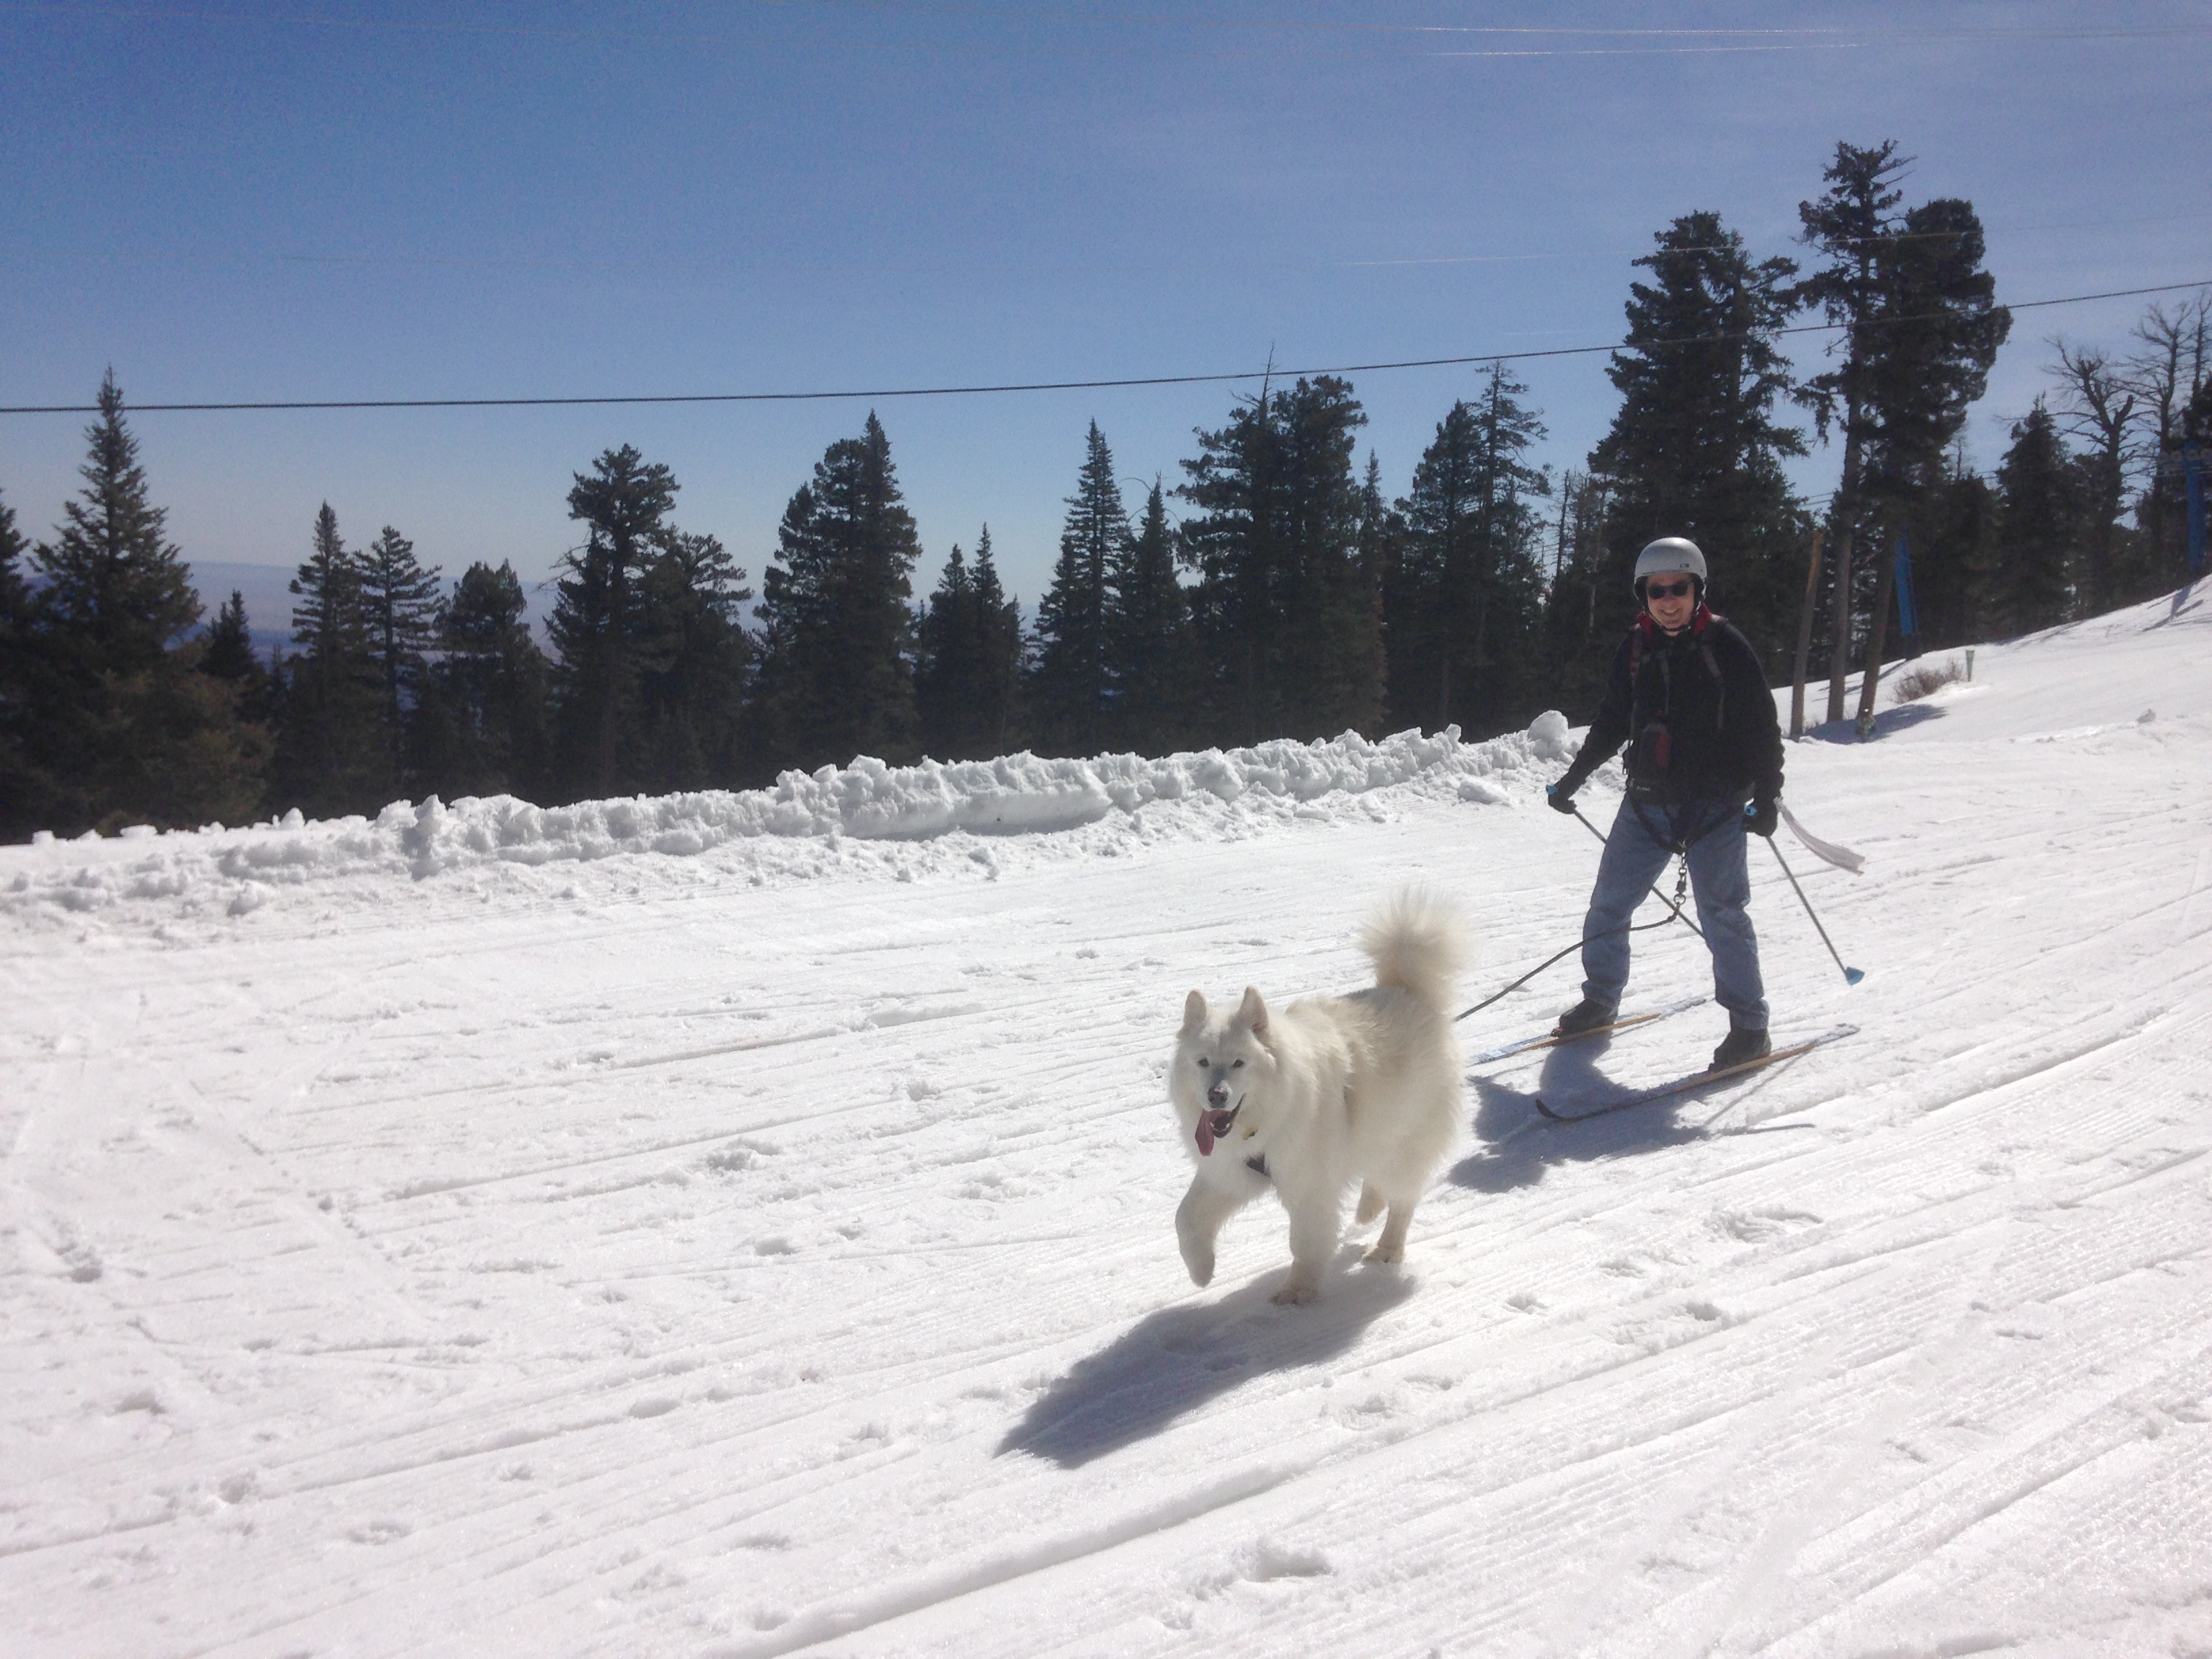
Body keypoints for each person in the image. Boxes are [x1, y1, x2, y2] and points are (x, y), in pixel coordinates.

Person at [1544, 537, 1784, 1070]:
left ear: (1697, 589)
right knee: (1609, 905)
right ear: (1644, 594)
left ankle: (1750, 1028)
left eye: (1679, 588)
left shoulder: (1727, 647)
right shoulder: (1635, 649)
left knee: (1723, 914)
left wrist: (1767, 799)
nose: (1668, 599)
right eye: (1657, 591)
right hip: (1648, 803)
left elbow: (1762, 730)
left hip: (1716, 808)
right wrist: (1572, 780)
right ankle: (1601, 999)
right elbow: (1611, 721)